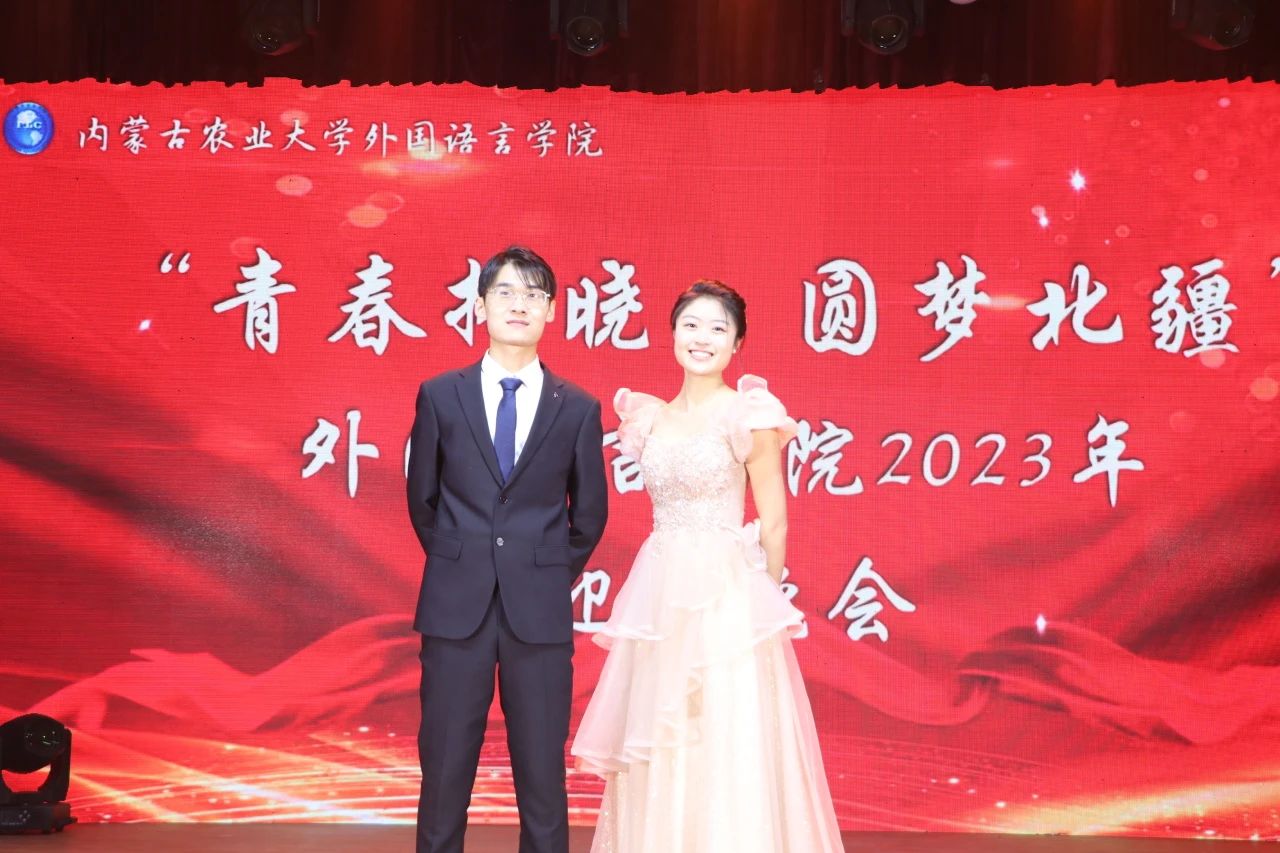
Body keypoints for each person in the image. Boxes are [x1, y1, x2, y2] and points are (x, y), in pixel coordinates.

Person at [571, 280, 843, 852]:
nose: (702, 338)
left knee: (725, 734)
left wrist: (759, 607)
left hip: (726, 598)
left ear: (737, 343)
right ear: (672, 334)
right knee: (661, 733)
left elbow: (774, 522)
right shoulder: (649, 419)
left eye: (718, 328)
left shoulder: (747, 414)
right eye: (691, 325)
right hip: (660, 594)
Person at [407, 245, 609, 853]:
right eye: (505, 292)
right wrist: (463, 560)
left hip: (538, 613)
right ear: (480, 306)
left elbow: (589, 515)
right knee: (444, 770)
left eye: (533, 294)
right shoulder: (441, 395)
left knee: (543, 777)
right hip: (455, 608)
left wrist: (541, 570)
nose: (519, 304)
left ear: (552, 311)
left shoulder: (577, 407)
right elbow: (423, 500)